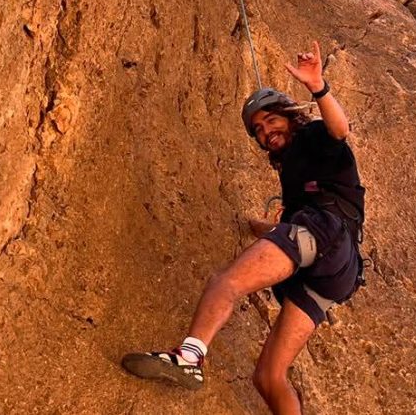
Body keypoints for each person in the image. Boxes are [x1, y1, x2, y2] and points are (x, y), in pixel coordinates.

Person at [122, 42, 365, 414]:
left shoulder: (315, 137)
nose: (266, 131)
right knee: (268, 377)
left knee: (227, 282)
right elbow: (289, 236)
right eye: (259, 130)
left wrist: (318, 87)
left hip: (325, 234)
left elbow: (339, 128)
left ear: (289, 116)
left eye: (271, 120)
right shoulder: (294, 171)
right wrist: (256, 226)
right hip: (334, 271)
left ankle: (190, 356)